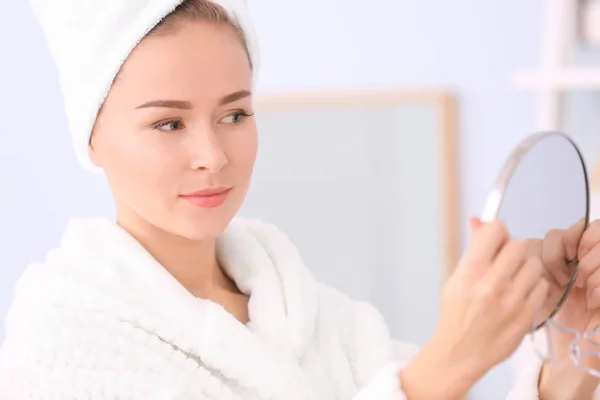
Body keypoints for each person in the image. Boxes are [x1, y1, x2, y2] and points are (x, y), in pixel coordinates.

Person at [1, 0, 600, 398]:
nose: (213, 154)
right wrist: (448, 363)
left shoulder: (306, 312)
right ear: (92, 138)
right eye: (168, 124)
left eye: (235, 113)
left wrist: (575, 354)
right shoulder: (57, 347)